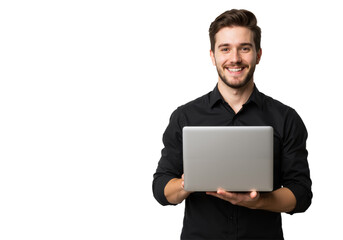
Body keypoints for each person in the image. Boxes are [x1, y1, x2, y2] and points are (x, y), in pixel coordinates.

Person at [152, 9, 312, 240]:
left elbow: (301, 194)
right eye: (225, 48)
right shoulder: (185, 117)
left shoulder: (286, 118)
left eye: (244, 48)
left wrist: (259, 202)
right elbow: (161, 189)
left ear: (258, 55)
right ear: (212, 55)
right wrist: (188, 182)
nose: (234, 58)